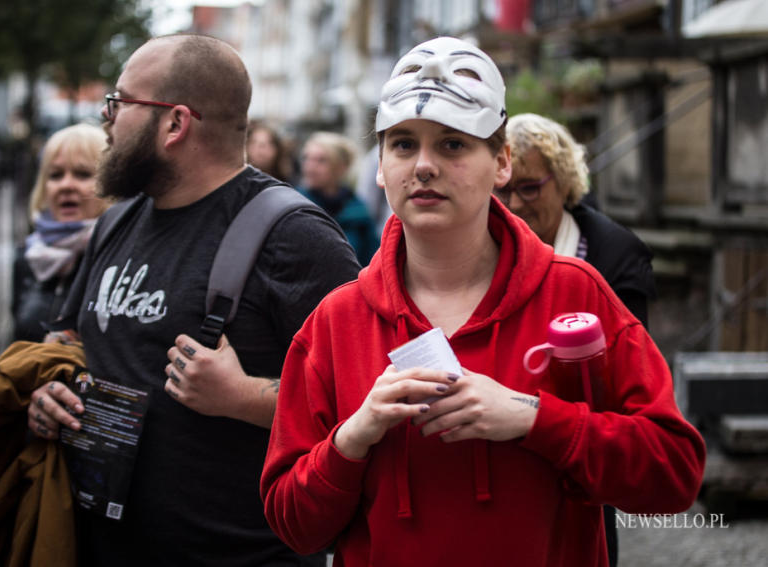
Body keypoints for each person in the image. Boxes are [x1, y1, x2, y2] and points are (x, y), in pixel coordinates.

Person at [260, 36, 705, 566]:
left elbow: (674, 475)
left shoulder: (575, 292)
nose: (423, 166)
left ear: (501, 164)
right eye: (403, 144)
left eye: (453, 144)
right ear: (380, 167)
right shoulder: (337, 319)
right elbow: (292, 525)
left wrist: (533, 418)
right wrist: (354, 436)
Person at [25, 34, 360, 566]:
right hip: (97, 546)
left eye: (119, 102)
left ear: (175, 123)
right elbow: (66, 339)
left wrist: (244, 396)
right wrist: (51, 389)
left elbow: (361, 400)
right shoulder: (116, 220)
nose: (106, 120)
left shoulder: (294, 235)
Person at [504, 111, 657, 566]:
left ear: (565, 181)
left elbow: (632, 378)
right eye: (503, 188)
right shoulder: (485, 246)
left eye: (529, 187)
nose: (514, 204)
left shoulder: (614, 255)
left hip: (581, 447)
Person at [12, 123, 109, 342]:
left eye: (83, 174)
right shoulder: (28, 257)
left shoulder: (117, 257)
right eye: (55, 175)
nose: (66, 185)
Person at [298, 131, 379, 266]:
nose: (310, 166)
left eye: (321, 160)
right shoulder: (295, 206)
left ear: (341, 167)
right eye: (306, 158)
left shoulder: (358, 210)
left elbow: (372, 261)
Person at [246, 119, 294, 183]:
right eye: (254, 142)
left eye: (269, 143)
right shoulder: (238, 183)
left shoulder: (287, 183)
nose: (261, 148)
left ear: (277, 149)